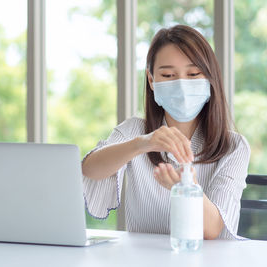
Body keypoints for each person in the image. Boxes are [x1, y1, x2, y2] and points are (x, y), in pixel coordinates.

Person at [81, 24, 250, 240]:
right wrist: (142, 143)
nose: (181, 85)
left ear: (209, 79)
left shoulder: (233, 146)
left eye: (193, 73)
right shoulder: (135, 130)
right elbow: (90, 169)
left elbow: (213, 229)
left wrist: (187, 189)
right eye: (169, 75)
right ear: (151, 80)